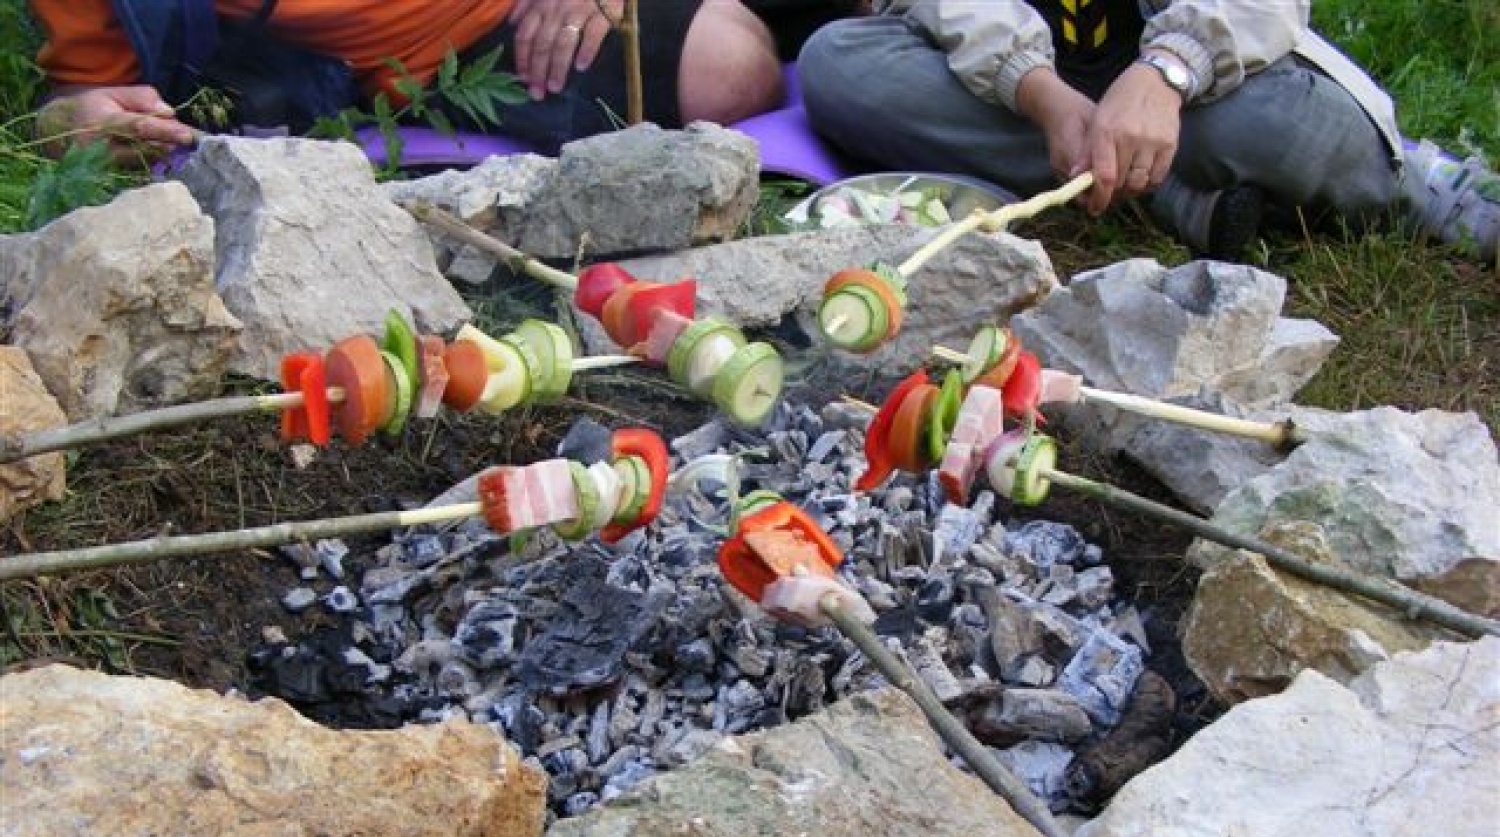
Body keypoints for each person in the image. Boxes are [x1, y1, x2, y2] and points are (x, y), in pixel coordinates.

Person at [797, 1, 1499, 263]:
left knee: (1278, 122)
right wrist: (1043, 96)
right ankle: (1168, 195)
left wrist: (1166, 70)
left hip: (1206, 88)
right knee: (837, 64)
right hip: (1021, 95)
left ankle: (1415, 187)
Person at [28, 0, 789, 161]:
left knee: (757, 57)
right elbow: (77, 100)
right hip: (427, 50)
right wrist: (77, 123)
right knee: (731, 68)